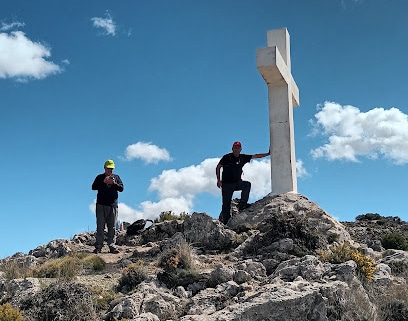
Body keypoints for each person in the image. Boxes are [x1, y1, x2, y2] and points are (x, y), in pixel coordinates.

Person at [216, 141, 270, 224]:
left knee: (247, 185)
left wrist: (267, 154)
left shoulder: (243, 157)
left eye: (238, 148)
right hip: (227, 184)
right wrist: (218, 180)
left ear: (241, 149)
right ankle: (226, 223)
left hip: (237, 182)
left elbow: (255, 156)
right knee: (226, 204)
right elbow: (218, 167)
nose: (236, 149)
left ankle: (242, 205)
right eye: (235, 148)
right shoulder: (226, 157)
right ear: (232, 149)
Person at [91, 159, 124, 254]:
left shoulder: (116, 177)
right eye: (109, 168)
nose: (111, 170)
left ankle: (112, 246)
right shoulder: (99, 177)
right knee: (100, 226)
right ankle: (98, 246)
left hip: (112, 205)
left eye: (112, 169)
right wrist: (103, 182)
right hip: (101, 205)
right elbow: (93, 187)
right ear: (104, 168)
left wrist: (114, 184)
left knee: (112, 226)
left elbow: (121, 188)